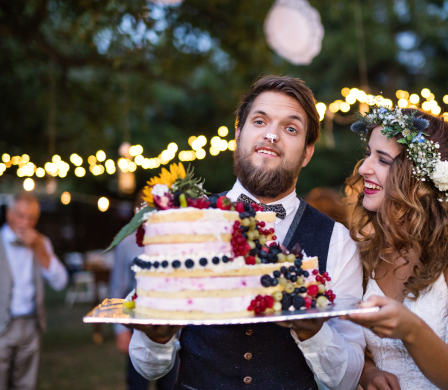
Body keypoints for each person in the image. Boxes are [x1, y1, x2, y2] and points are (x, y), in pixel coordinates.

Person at [127, 75, 370, 390]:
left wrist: (313, 331)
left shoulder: (337, 241)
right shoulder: (184, 223)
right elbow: (147, 368)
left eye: (290, 128)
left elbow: (347, 378)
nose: (271, 135)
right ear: (238, 134)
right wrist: (157, 335)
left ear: (308, 152)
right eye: (260, 121)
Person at [342, 107, 448, 390]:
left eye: (382, 159)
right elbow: (353, 342)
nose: (364, 168)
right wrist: (368, 372)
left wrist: (411, 329)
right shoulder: (368, 248)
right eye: (368, 154)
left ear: (419, 177)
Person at [0, 193, 69, 390]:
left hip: (31, 325)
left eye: (31, 218)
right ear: (8, 214)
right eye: (20, 216)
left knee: (26, 384)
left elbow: (61, 282)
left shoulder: (41, 242)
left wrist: (39, 248)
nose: (25, 222)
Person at [110, 232, 179, 390]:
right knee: (137, 383)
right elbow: (118, 288)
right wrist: (120, 329)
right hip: (139, 331)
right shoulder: (128, 243)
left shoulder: (181, 240)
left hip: (175, 330)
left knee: (170, 383)